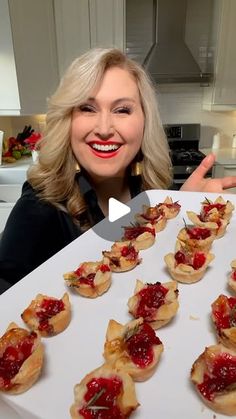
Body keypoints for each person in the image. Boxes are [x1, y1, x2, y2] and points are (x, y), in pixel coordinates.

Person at [0, 47, 236, 287]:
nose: (104, 128)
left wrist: (184, 205)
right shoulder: (39, 209)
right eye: (87, 108)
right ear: (67, 120)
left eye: (122, 110)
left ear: (145, 121)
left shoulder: (153, 190)